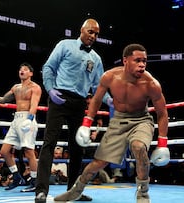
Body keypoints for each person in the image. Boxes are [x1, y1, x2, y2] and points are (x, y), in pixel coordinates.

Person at [54, 43, 170, 203]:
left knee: (138, 147)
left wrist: (162, 143)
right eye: (137, 60)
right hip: (119, 121)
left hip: (141, 120)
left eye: (144, 61)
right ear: (125, 61)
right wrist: (86, 124)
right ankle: (76, 191)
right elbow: (96, 99)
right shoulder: (110, 77)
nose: (142, 65)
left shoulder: (151, 84)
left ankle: (143, 192)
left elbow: (162, 113)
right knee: (98, 163)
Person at [34, 18, 113, 203]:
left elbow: (98, 87)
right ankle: (41, 191)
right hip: (59, 98)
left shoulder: (96, 59)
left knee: (77, 148)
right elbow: (48, 67)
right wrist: (50, 89)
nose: (93, 36)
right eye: (90, 32)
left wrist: (110, 101)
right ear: (82, 30)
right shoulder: (65, 45)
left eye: (96, 34)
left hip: (79, 103)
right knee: (49, 144)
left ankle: (73, 191)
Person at [0, 62, 42, 191]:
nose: (22, 71)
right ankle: (17, 177)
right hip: (16, 120)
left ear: (31, 73)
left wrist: (30, 119)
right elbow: (4, 99)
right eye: (20, 69)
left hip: (28, 118)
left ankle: (34, 181)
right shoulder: (16, 87)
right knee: (4, 151)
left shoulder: (35, 87)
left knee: (29, 152)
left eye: (25, 69)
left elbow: (34, 105)